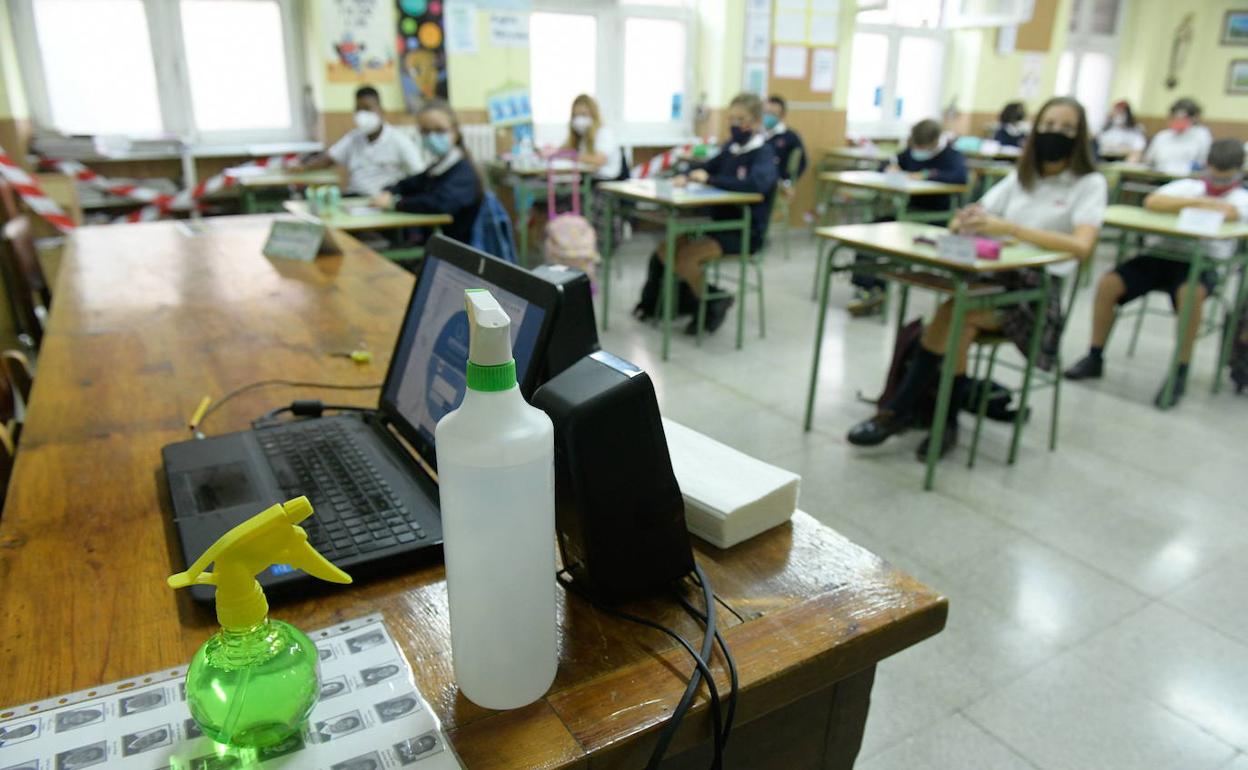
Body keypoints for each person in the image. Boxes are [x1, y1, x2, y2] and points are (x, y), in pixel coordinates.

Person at [848, 96, 1107, 459]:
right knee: (958, 320)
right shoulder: (1021, 179)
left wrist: (1012, 229)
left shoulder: (1088, 183)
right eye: (1048, 126)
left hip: (1036, 292)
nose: (1055, 134)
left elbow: (1082, 245)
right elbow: (964, 219)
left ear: (1080, 136)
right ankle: (942, 420)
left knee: (955, 314)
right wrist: (968, 219)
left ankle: (898, 412)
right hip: (993, 276)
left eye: (1066, 128)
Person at [1065, 139, 1248, 406]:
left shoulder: (1242, 198)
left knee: (1190, 294)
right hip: (1161, 256)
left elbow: (1232, 214)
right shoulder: (1190, 187)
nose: (1217, 184)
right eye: (1213, 176)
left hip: (1206, 262)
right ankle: (1095, 356)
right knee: (1109, 284)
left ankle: (1180, 369)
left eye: (1225, 179)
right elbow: (1153, 201)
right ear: (1206, 166)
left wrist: (1193, 206)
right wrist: (1203, 204)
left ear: (1238, 171)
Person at [633, 93, 778, 334]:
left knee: (687, 258)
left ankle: (714, 300)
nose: (735, 125)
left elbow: (754, 186)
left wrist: (711, 179)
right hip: (717, 224)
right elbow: (706, 166)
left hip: (745, 231)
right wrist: (688, 173)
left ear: (755, 122)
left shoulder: (762, 153)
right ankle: (684, 302)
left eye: (740, 119)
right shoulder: (731, 149)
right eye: (731, 118)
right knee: (665, 250)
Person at [850, 118, 970, 317]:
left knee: (893, 235)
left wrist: (925, 175)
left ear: (934, 142)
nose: (919, 150)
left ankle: (879, 288)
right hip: (906, 212)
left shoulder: (951, 156)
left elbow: (959, 177)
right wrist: (890, 168)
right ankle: (869, 288)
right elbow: (887, 163)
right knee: (870, 232)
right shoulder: (910, 153)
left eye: (924, 146)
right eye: (917, 145)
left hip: (936, 217)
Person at [371, 100, 483, 245]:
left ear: (455, 131)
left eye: (439, 130)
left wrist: (396, 203)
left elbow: (439, 203)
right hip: (437, 241)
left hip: (459, 249)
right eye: (425, 131)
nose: (432, 137)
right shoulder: (438, 167)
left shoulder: (463, 172)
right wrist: (389, 191)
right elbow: (409, 183)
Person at [296, 86, 424, 196]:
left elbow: (419, 173)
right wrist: (301, 168)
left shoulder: (400, 141)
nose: (362, 114)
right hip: (354, 196)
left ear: (381, 111)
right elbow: (329, 160)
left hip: (382, 199)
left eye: (367, 109)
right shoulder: (353, 138)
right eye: (358, 109)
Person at [1143, 98, 1214, 175]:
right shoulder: (1162, 136)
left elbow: (1204, 162)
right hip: (1159, 176)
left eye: (1184, 118)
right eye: (1175, 117)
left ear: (1194, 118)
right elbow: (1149, 160)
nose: (1179, 121)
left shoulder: (1202, 135)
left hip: (1188, 179)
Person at [763, 95, 808, 194]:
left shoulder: (790, 137)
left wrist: (789, 183)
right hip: (758, 181)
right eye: (765, 113)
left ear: (782, 115)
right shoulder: (758, 134)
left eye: (773, 114)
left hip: (778, 185)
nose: (768, 116)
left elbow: (802, 162)